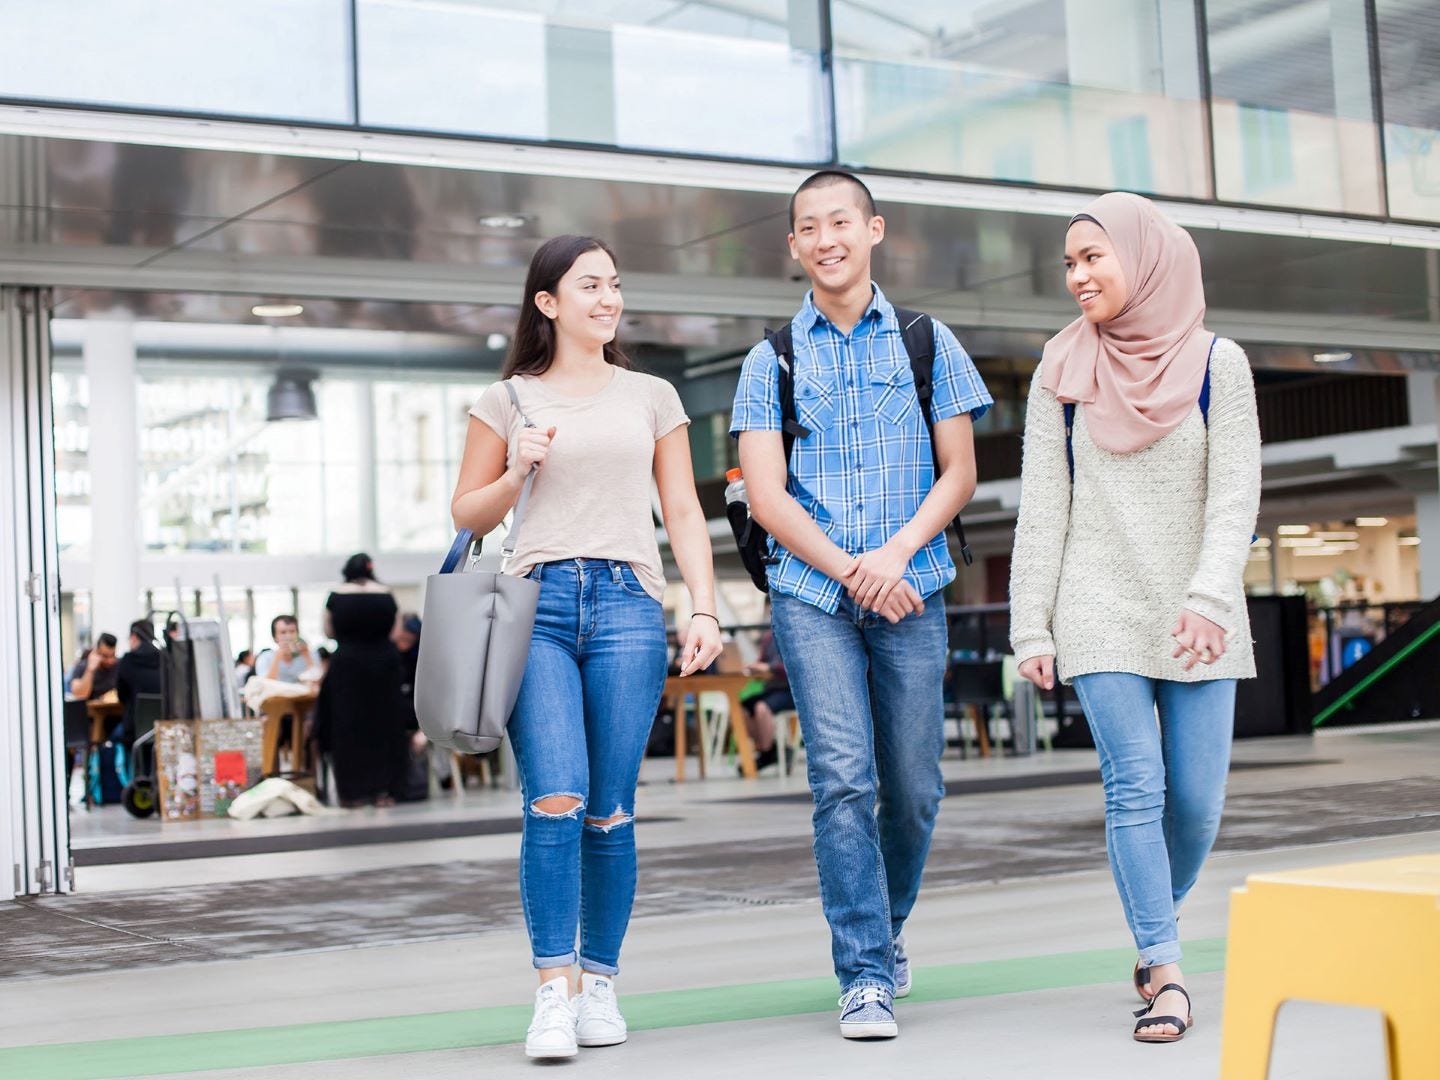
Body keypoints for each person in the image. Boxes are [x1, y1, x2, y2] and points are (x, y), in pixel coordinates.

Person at [731, 170, 991, 1040]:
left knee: (912, 788)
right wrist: (852, 568)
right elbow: (766, 496)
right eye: (809, 227)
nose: (826, 239)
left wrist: (894, 556)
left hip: (911, 589)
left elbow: (960, 472)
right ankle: (865, 973)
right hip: (813, 594)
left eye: (840, 221)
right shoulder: (770, 359)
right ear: (794, 245)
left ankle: (887, 924)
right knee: (844, 781)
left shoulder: (927, 341)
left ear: (873, 230)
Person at [453, 234, 723, 1060]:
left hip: (629, 605)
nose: (609, 300)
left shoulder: (652, 395)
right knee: (555, 798)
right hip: (534, 605)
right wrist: (515, 473)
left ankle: (600, 982)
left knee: (610, 810)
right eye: (590, 286)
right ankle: (553, 992)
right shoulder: (507, 399)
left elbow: (682, 509)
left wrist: (704, 607)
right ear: (548, 303)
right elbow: (467, 513)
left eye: (614, 284)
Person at [1009, 192, 1260, 1044]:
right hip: (1098, 604)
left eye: (1093, 258)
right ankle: (1166, 967)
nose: (1078, 277)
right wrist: (1032, 625)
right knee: (1136, 787)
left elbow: (1234, 496)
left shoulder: (1220, 363)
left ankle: (1156, 915)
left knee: (1196, 803)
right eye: (1069, 264)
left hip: (1199, 611)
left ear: (1145, 258)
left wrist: (1209, 596)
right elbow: (1044, 507)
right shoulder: (1059, 371)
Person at [315, 554, 408, 808]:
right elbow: (396, 632)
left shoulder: (336, 595)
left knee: (348, 726)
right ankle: (385, 791)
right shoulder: (386, 593)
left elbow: (328, 631)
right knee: (385, 725)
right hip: (383, 665)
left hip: (348, 664)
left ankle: (352, 793)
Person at [738, 627, 792, 774]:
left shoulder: (792, 632)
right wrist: (755, 668)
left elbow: (795, 665)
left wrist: (770, 668)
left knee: (761, 708)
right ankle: (769, 749)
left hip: (790, 690)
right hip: (771, 688)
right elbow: (761, 661)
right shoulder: (768, 637)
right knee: (741, 709)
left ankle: (767, 752)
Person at [115, 620, 162, 743]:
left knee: (111, 732)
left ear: (134, 637)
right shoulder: (165, 659)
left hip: (134, 731)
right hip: (162, 729)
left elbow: (121, 695)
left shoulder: (128, 660)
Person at [253, 616, 314, 684]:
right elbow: (266, 683)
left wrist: (306, 655)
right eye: (283, 632)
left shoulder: (309, 654)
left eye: (292, 631)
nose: (288, 636)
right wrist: (278, 656)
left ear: (297, 634)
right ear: (274, 637)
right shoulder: (265, 657)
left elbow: (316, 679)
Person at [67, 632, 119, 701]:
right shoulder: (82, 667)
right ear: (96, 651)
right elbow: (79, 695)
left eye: (113, 655)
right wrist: (90, 670)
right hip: (90, 707)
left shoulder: (119, 665)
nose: (110, 661)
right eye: (105, 656)